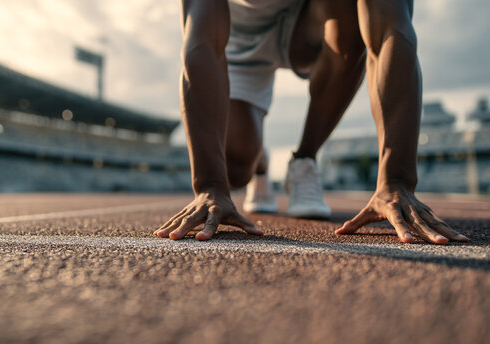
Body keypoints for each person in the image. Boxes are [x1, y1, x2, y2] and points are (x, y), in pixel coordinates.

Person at [154, 0, 469, 245]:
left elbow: (390, 32)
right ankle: (260, 164)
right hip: (236, 32)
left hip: (311, 23)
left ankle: (304, 160)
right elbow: (200, 45)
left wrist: (397, 180)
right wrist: (209, 184)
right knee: (235, 168)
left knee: (355, 16)